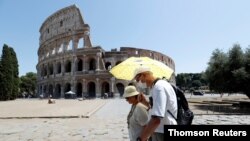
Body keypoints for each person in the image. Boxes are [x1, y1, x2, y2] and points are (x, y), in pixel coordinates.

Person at [134, 66, 177, 141]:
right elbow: (159, 108)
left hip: (162, 132)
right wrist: (145, 102)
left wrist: (141, 138)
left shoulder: (159, 87)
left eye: (138, 79)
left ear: (144, 75)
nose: (138, 83)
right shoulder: (157, 86)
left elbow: (156, 119)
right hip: (160, 130)